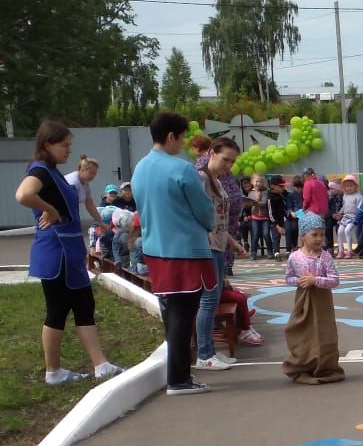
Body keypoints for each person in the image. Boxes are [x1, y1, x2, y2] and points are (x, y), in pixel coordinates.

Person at [15, 120, 123, 385]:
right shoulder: (40, 170)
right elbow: (23, 194)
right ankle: (53, 371)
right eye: (64, 146)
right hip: (57, 252)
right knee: (58, 309)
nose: (68, 151)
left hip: (69, 251)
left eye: (70, 145)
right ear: (47, 144)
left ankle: (100, 364)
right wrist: (49, 210)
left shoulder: (51, 171)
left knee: (84, 304)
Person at [132, 112, 217, 395]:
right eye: (181, 138)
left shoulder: (140, 168)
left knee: (172, 311)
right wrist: (210, 223)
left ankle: (179, 375)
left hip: (155, 248)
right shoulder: (181, 169)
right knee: (184, 314)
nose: (182, 144)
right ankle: (179, 379)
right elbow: (205, 210)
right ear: (171, 136)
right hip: (186, 250)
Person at [196, 137, 244, 372]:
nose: (229, 165)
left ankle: (210, 352)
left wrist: (233, 243)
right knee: (208, 301)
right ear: (212, 153)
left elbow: (220, 221)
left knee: (212, 300)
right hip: (207, 247)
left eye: (232, 162)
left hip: (219, 246)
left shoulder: (217, 180)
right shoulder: (201, 177)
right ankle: (204, 354)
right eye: (225, 159)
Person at [282, 211, 345, 385]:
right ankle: (304, 363)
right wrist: (301, 281)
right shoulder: (294, 257)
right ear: (303, 236)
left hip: (322, 300)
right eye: (314, 234)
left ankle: (325, 366)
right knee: (304, 331)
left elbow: (334, 280)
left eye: (322, 235)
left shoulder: (325, 257)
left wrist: (315, 280)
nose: (319, 239)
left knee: (324, 333)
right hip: (303, 300)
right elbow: (288, 278)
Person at [65, 154, 104, 228]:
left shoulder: (85, 182)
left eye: (95, 174)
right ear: (82, 170)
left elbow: (90, 205)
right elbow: (67, 204)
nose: (93, 176)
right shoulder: (72, 183)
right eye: (91, 173)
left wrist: (101, 222)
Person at [336, 174, 363, 258]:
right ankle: (341, 251)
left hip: (354, 217)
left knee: (347, 230)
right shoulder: (345, 196)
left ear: (355, 186)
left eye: (351, 186)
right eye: (347, 186)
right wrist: (340, 213)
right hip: (345, 217)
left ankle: (350, 251)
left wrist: (358, 218)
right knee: (340, 231)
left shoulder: (358, 196)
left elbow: (360, 208)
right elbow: (344, 206)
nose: (349, 188)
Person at [247, 174, 273, 260]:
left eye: (261, 182)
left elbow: (264, 203)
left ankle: (270, 251)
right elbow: (249, 204)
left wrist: (257, 201)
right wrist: (249, 203)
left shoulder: (265, 192)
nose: (258, 183)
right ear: (252, 182)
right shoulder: (251, 193)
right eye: (257, 181)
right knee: (255, 235)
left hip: (264, 217)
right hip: (255, 217)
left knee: (266, 234)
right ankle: (253, 252)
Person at [268, 174, 288, 259]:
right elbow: (271, 214)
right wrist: (277, 226)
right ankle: (276, 252)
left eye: (283, 186)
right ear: (273, 186)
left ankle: (289, 250)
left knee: (290, 230)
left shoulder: (284, 194)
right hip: (275, 221)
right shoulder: (271, 198)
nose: (283, 188)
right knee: (276, 235)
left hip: (285, 219)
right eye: (280, 186)